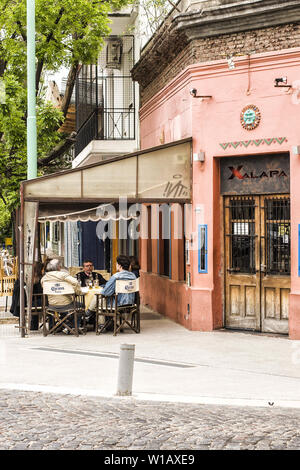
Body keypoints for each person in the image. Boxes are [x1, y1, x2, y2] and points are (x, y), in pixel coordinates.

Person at [86, 255, 136, 328]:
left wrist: (104, 289)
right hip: (130, 302)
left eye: (116, 264)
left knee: (99, 299)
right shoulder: (133, 276)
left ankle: (92, 316)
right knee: (100, 300)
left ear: (119, 265)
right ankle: (103, 323)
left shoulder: (116, 276)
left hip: (118, 303)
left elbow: (105, 293)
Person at [41, 258, 83, 334]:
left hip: (51, 305)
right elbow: (75, 282)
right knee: (81, 306)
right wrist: (77, 292)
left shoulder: (44, 278)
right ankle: (71, 326)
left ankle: (63, 325)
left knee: (67, 310)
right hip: (67, 305)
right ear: (59, 267)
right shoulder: (63, 275)